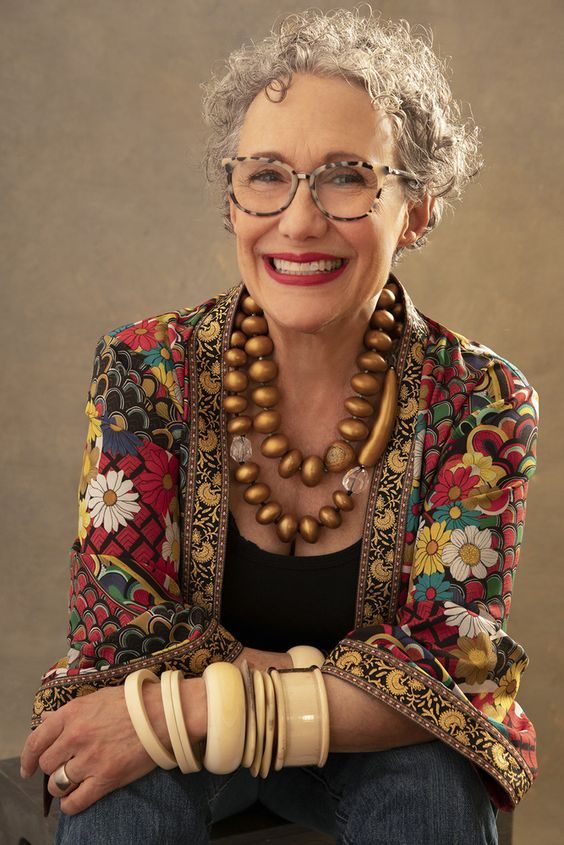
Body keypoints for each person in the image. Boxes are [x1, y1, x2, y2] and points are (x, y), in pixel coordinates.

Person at [20, 8, 538, 844]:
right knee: (113, 798)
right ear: (233, 201)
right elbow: (122, 637)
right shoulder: (145, 369)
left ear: (416, 209)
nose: (298, 221)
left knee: (435, 790)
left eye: (347, 177)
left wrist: (203, 704)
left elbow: (448, 666)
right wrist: (323, 690)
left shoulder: (481, 401)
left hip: (370, 750)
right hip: (195, 739)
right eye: (267, 175)